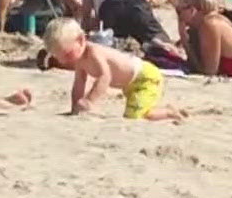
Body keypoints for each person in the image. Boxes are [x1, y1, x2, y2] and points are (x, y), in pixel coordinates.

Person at [42, 18, 184, 121]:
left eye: (67, 54)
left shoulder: (94, 53)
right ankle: (167, 111)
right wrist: (75, 108)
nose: (65, 61)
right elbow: (79, 83)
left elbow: (105, 77)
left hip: (145, 78)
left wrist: (90, 101)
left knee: (135, 116)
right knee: (136, 111)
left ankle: (169, 113)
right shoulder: (79, 60)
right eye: (59, 57)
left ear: (81, 40)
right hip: (130, 85)